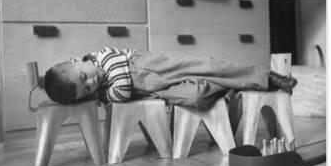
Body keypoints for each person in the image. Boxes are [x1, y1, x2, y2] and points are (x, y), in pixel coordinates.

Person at [44, 47, 297, 111]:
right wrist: (104, 94)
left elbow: (121, 85)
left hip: (152, 65)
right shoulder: (104, 90)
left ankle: (266, 77)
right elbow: (120, 91)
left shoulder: (101, 56)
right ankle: (227, 89)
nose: (91, 83)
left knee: (206, 66)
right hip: (154, 91)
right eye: (85, 90)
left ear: (76, 59)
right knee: (196, 96)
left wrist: (104, 94)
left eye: (83, 77)